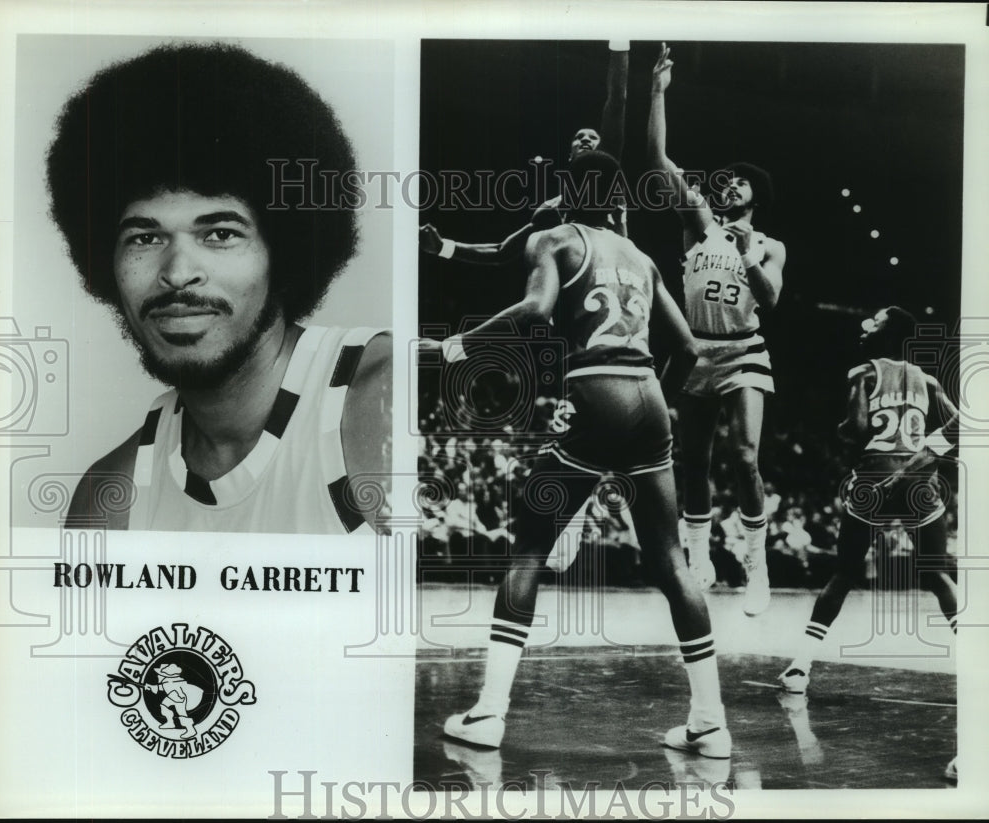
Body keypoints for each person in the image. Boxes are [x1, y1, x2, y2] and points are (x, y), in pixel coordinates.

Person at [429, 150, 731, 759]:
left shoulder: (554, 238)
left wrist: (458, 345)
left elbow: (537, 310)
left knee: (531, 551)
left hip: (592, 391)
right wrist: (651, 402)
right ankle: (711, 723)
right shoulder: (641, 258)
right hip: (648, 399)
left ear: (566, 192)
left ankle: (489, 713)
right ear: (619, 199)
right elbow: (692, 348)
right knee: (672, 563)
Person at [49, 43, 391, 533]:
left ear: (285, 249)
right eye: (145, 237)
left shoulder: (383, 401)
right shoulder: (110, 500)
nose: (177, 272)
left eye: (220, 233)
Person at [777, 306, 959, 779]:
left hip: (875, 476)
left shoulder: (862, 371)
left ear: (886, 335)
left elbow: (857, 429)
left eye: (872, 322)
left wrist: (843, 429)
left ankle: (800, 668)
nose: (864, 327)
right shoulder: (927, 380)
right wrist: (925, 456)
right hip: (918, 477)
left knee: (845, 572)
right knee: (937, 574)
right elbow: (960, 427)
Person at [647, 44, 787, 615]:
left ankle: (758, 562)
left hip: (744, 351)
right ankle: (699, 554)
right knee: (692, 463)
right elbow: (657, 158)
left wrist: (747, 253)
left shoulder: (769, 244)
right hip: (696, 352)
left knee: (746, 456)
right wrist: (658, 91)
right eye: (723, 182)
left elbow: (772, 299)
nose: (727, 186)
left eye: (737, 183)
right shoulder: (698, 227)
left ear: (755, 196)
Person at [419, 41, 631, 264]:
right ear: (570, 156)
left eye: (593, 137)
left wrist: (620, 41)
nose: (586, 139)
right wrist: (442, 247)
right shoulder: (552, 211)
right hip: (579, 284)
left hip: (622, 274)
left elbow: (617, 100)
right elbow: (502, 251)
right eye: (579, 137)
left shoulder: (606, 175)